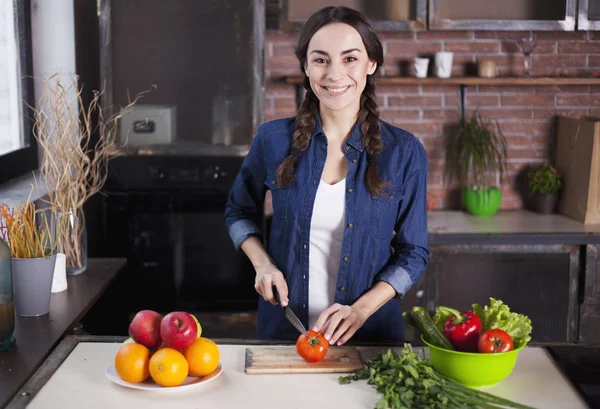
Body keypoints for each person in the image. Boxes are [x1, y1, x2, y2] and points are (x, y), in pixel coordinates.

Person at [224, 6, 429, 345]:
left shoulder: (404, 151)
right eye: (321, 60)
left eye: (350, 59)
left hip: (371, 338)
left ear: (371, 64)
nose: (335, 74)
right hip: (285, 333)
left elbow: (414, 252)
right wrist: (262, 265)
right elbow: (238, 211)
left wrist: (362, 310)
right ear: (306, 66)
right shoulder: (273, 140)